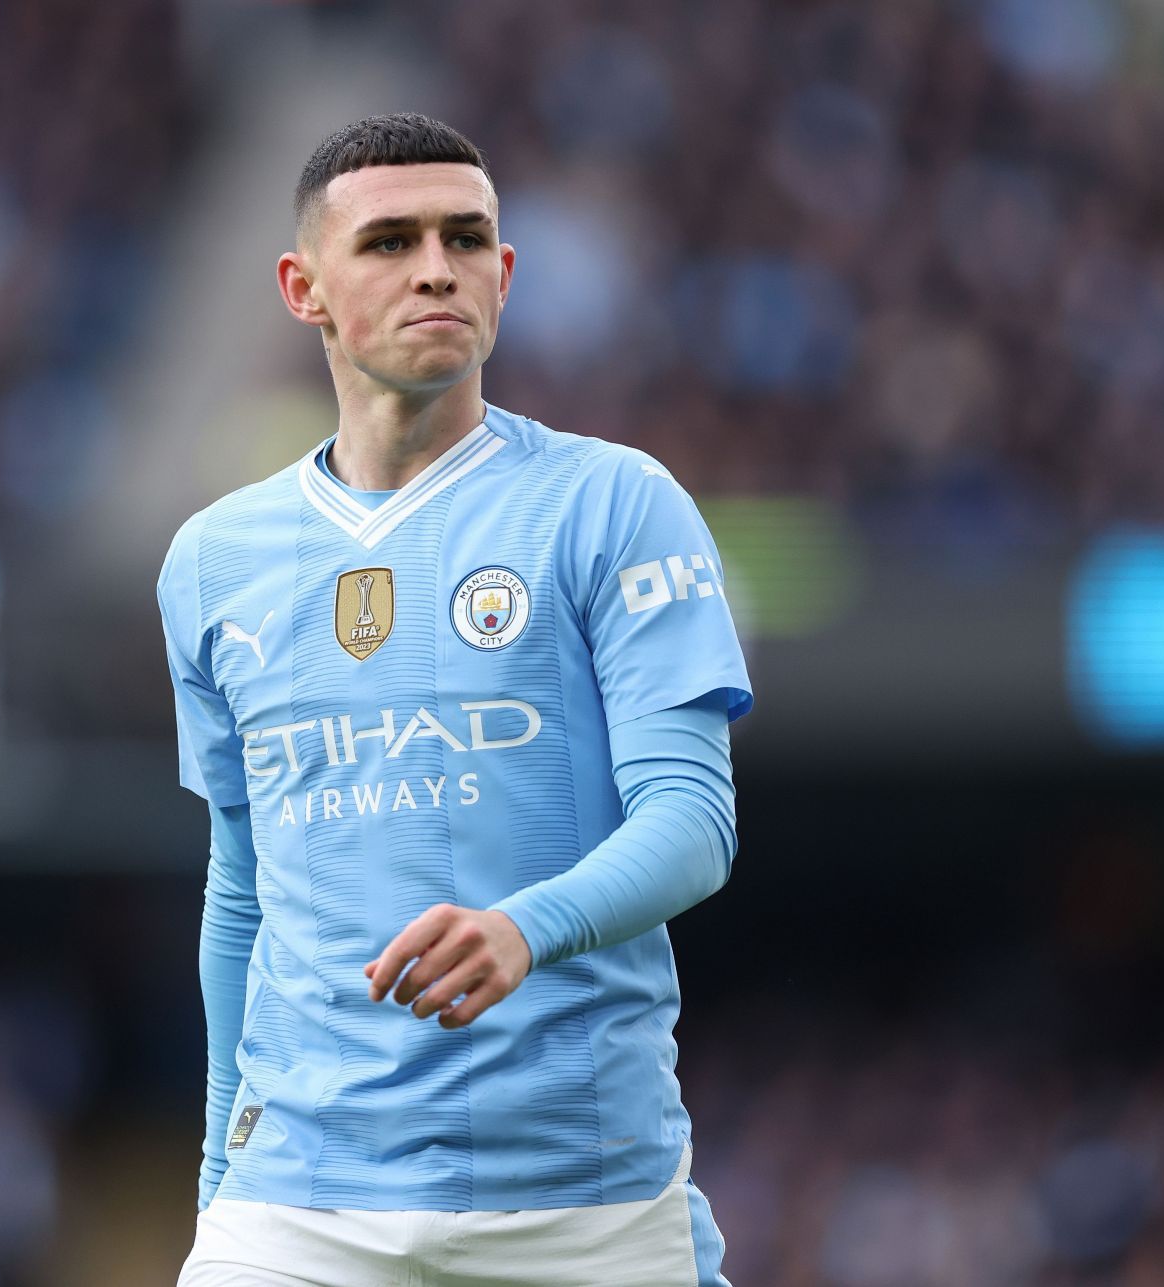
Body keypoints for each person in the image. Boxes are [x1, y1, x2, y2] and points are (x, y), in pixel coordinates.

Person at [159, 112, 751, 1286]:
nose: (437, 265)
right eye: (388, 242)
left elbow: (694, 823)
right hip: (301, 1207)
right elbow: (242, 885)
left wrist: (525, 928)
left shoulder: (612, 505)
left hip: (580, 1202)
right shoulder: (214, 562)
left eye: (466, 236)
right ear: (303, 287)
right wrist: (220, 1172)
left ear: (505, 273)